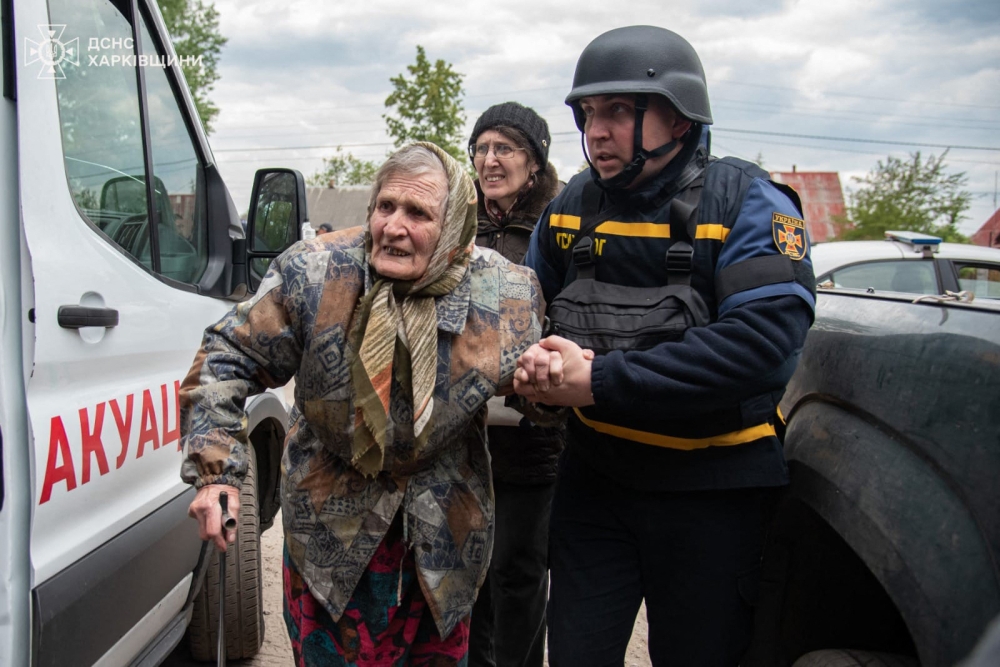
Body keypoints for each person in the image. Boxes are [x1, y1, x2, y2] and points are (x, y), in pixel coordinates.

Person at [513, 26, 817, 667]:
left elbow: (762, 344)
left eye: (618, 112)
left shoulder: (746, 203)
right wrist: (533, 360)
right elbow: (518, 314)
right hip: (595, 483)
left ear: (678, 119)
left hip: (715, 497)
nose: (596, 131)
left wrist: (598, 381)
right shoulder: (571, 208)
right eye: (588, 114)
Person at [181, 142, 545, 665]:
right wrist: (216, 467)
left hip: (442, 545)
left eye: (418, 213)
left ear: (455, 229)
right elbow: (227, 353)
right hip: (330, 536)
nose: (394, 226)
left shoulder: (506, 294)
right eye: (385, 206)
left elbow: (541, 393)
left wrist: (548, 386)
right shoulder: (314, 275)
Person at [465, 102, 562, 667]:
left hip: (532, 433)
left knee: (519, 571)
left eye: (505, 148)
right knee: (468, 568)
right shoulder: (459, 221)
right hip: (465, 429)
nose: (490, 160)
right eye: (481, 148)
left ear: (534, 162)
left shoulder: (556, 223)